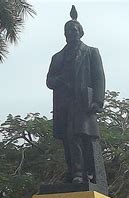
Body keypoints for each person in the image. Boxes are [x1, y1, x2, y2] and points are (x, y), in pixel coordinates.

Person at [46, 5, 105, 184]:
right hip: (64, 104)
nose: (71, 33)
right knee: (67, 138)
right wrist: (60, 80)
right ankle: (73, 171)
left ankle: (81, 173)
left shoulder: (91, 52)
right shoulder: (58, 57)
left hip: (82, 103)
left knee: (79, 136)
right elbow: (49, 81)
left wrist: (98, 101)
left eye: (74, 29)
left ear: (81, 32)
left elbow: (99, 77)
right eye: (67, 30)